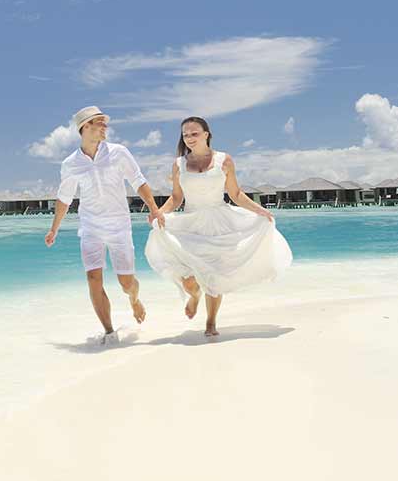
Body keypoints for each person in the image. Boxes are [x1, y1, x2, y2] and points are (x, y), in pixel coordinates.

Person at [145, 116, 293, 337]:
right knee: (189, 280)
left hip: (220, 223)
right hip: (190, 223)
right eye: (185, 135)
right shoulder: (179, 165)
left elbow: (235, 194)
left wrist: (259, 211)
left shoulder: (224, 160)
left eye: (194, 133)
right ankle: (194, 296)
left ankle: (211, 322)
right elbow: (176, 198)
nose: (189, 138)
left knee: (214, 276)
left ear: (206, 134)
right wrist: (159, 212)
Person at [45, 106, 163, 344]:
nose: (105, 127)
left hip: (119, 226)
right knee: (93, 279)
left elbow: (138, 181)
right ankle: (109, 332)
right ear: (84, 127)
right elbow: (64, 198)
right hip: (90, 227)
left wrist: (154, 209)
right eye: (99, 123)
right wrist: (54, 228)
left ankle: (134, 300)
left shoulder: (119, 153)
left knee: (126, 283)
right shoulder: (70, 164)